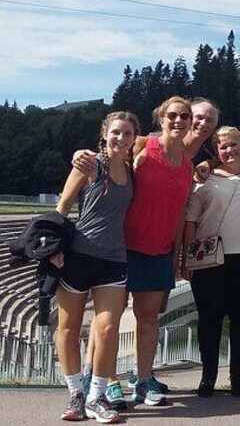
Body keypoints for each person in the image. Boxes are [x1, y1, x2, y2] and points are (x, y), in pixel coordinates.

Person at [71, 97, 219, 403]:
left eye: (185, 116)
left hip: (159, 249)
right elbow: (108, 148)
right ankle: (107, 380)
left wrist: (178, 254)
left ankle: (144, 378)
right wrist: (80, 155)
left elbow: (179, 213)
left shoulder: (187, 165)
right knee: (108, 320)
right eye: (172, 115)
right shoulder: (141, 144)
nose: (179, 121)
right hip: (123, 246)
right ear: (161, 119)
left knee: (148, 319)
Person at [53, 111, 139, 423]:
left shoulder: (131, 169)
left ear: (133, 138)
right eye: (116, 132)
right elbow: (61, 209)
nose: (121, 138)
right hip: (78, 256)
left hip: (114, 259)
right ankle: (75, 392)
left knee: (106, 328)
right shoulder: (90, 164)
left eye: (128, 133)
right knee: (69, 326)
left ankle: (96, 397)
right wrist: (55, 250)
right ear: (104, 133)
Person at [182, 127, 240, 398]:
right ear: (216, 150)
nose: (229, 150)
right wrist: (185, 258)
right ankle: (208, 376)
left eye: (234, 144)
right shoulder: (204, 178)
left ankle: (238, 376)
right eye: (223, 146)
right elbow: (190, 221)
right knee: (210, 320)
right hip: (209, 259)